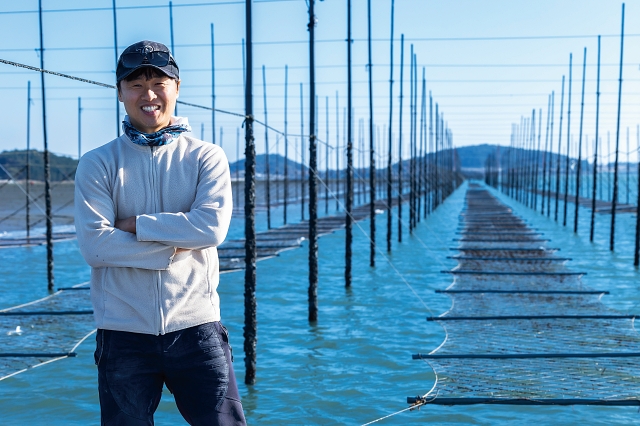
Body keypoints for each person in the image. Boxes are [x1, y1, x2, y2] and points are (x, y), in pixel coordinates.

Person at [74, 40, 246, 426]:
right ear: (119, 92)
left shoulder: (206, 156)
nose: (148, 94)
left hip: (197, 327)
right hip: (122, 332)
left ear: (177, 87)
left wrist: (137, 225)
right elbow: (95, 247)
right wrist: (173, 247)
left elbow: (211, 228)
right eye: (135, 84)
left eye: (159, 82)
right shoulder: (97, 163)